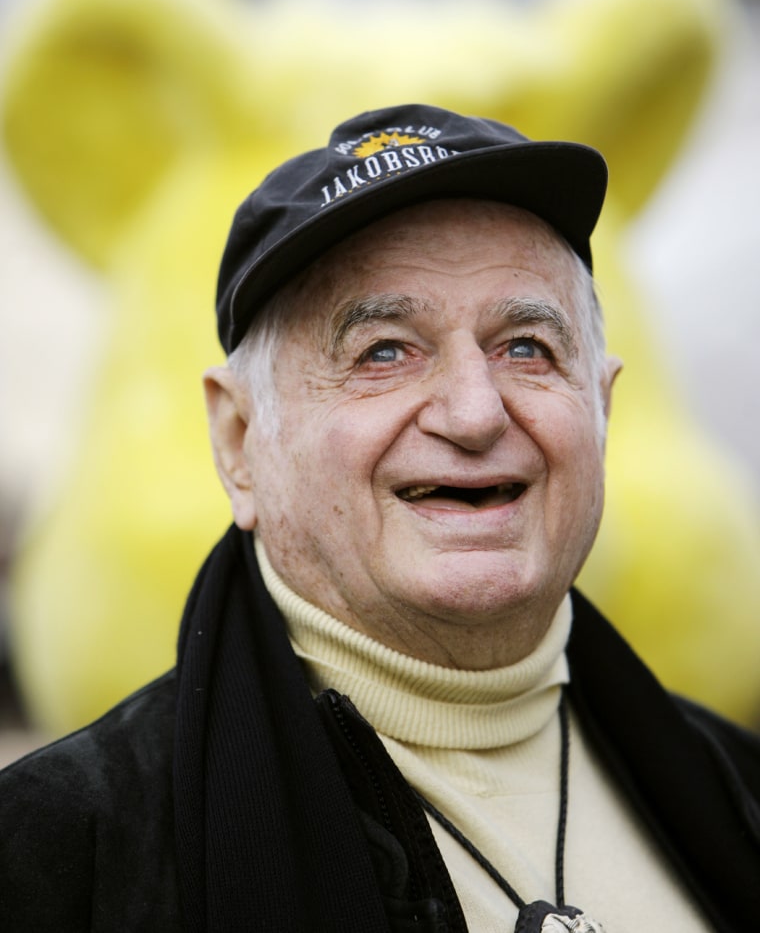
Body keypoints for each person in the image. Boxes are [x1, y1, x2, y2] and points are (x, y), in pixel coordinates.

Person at [1, 103, 759, 933]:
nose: (475, 414)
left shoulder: (738, 789)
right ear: (240, 441)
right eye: (384, 351)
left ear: (602, 409)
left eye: (527, 348)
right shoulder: (57, 856)